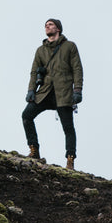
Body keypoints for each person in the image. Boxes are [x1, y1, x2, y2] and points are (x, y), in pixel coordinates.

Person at [23, 18, 83, 170]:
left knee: (68, 128)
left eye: (50, 25)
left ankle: (70, 160)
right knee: (26, 115)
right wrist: (31, 90)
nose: (47, 27)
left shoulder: (70, 46)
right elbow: (33, 71)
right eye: (45, 25)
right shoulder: (40, 50)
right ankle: (34, 150)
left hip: (63, 93)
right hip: (45, 92)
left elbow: (77, 69)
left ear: (58, 29)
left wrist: (77, 90)